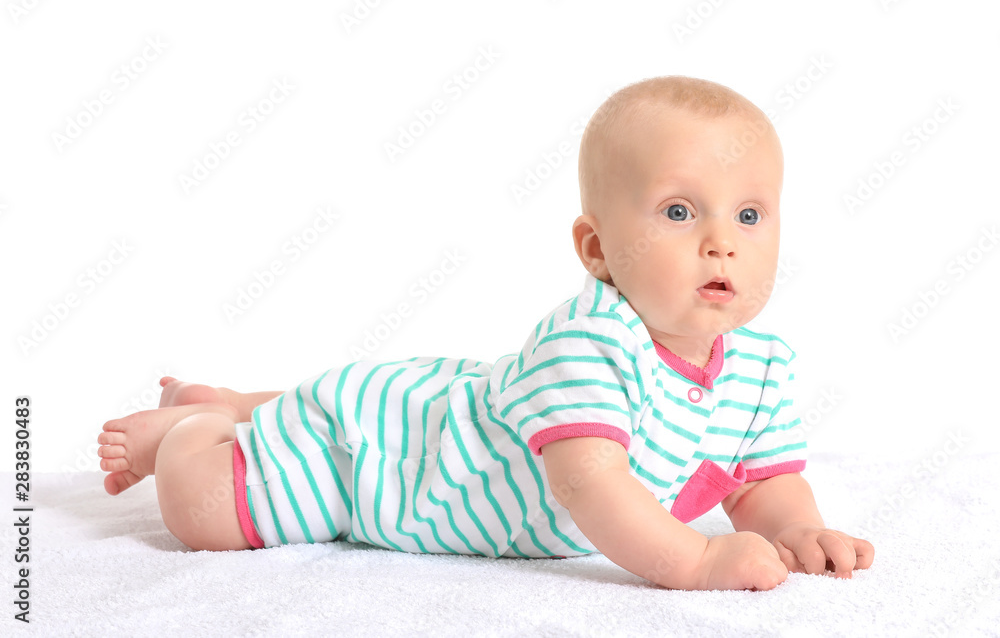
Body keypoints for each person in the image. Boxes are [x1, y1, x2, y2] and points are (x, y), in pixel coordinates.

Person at [97, 75, 874, 591]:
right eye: (679, 211)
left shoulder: (761, 368)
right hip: (375, 463)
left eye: (749, 214)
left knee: (389, 397)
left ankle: (237, 400)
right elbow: (590, 483)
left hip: (453, 404)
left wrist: (799, 529)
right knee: (202, 509)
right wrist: (697, 559)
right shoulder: (593, 343)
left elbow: (760, 481)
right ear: (598, 249)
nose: (722, 241)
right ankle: (193, 426)